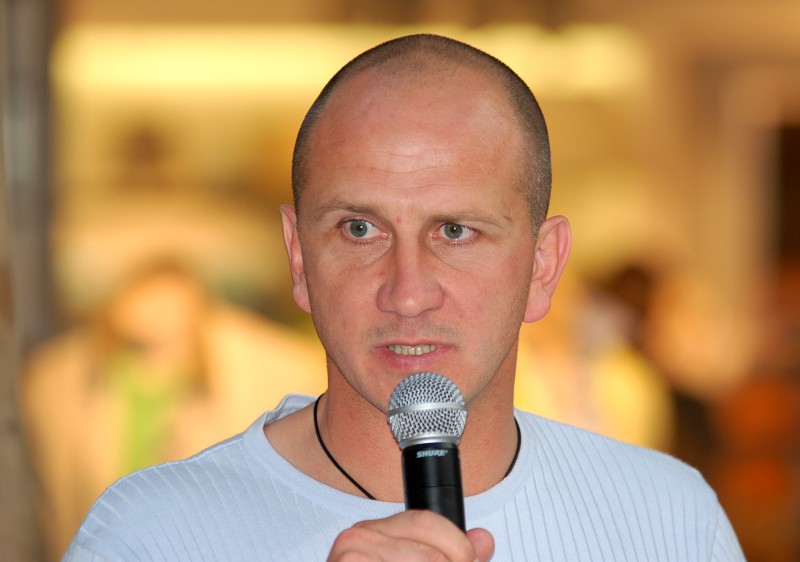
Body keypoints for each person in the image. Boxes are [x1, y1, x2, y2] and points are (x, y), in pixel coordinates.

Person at [63, 33, 745, 561]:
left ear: (543, 266)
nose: (408, 294)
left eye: (456, 231)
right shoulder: (152, 535)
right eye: (360, 230)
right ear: (299, 257)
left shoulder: (667, 520)